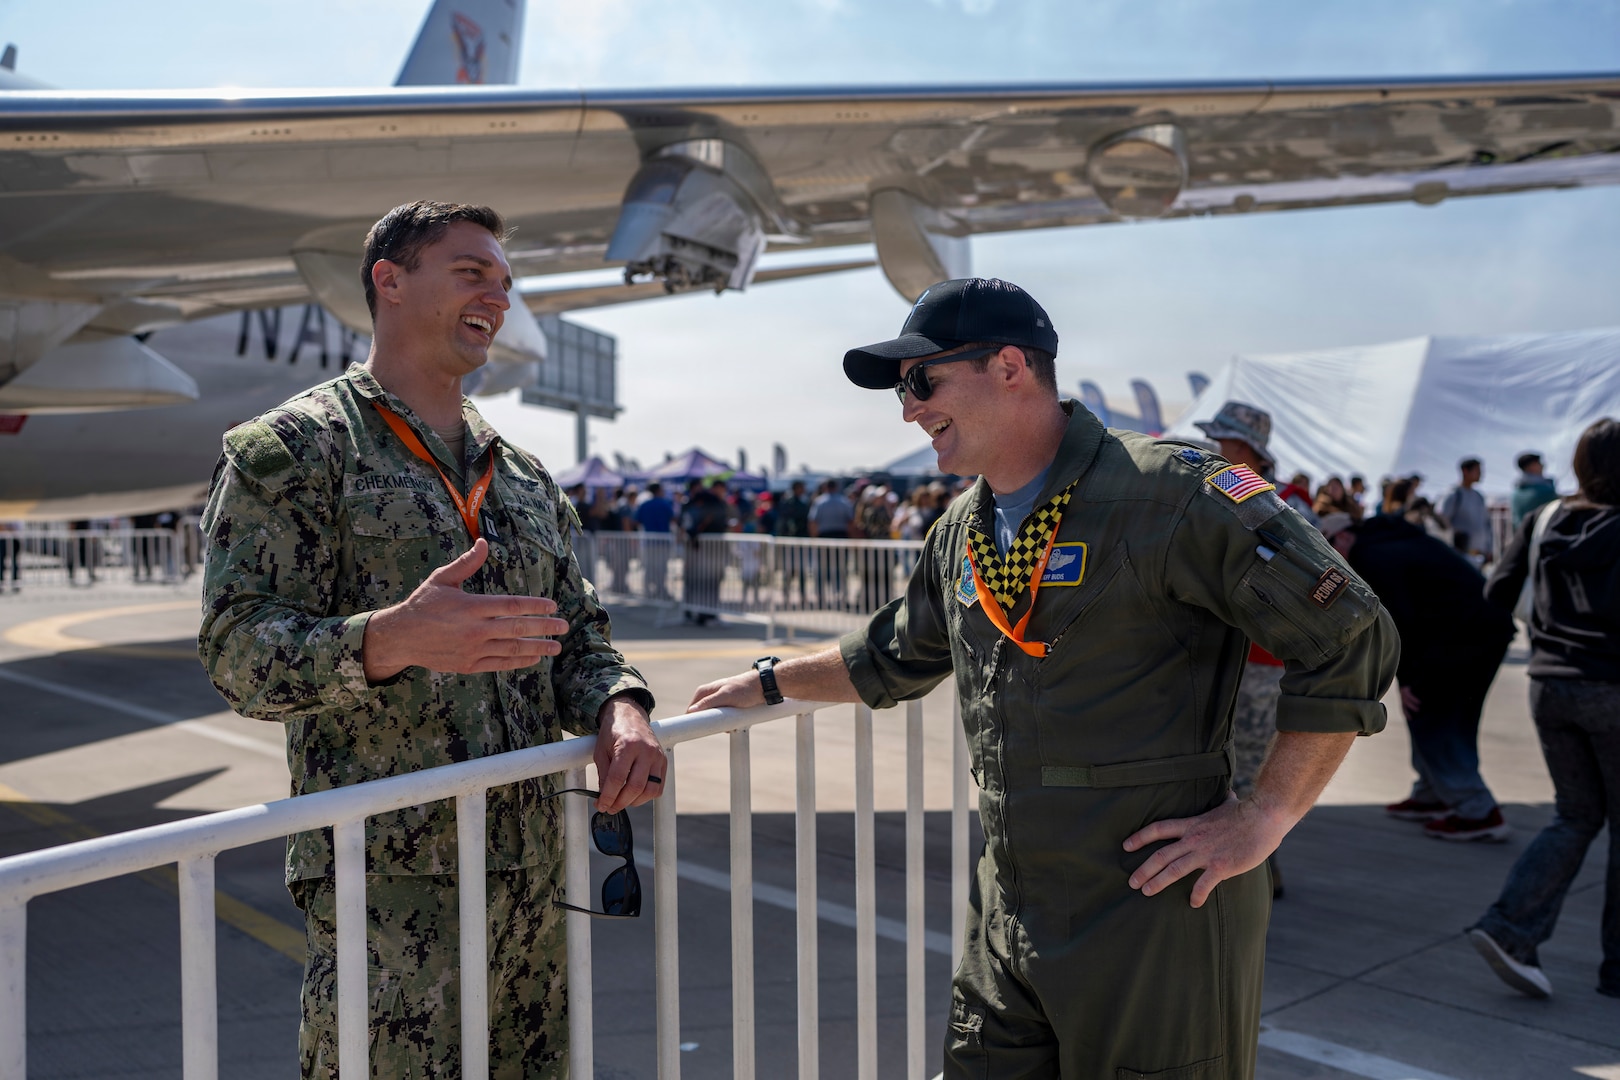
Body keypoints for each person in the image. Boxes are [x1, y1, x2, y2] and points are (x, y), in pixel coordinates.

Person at [688, 277, 1398, 1079]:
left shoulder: (1168, 494)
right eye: (900, 390)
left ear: (1011, 367)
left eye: (922, 380)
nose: (908, 408)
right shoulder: (965, 528)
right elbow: (896, 650)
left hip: (1153, 911)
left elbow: (1350, 632)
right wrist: (771, 681)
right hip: (1010, 912)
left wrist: (1266, 815)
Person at [196, 200, 665, 1079]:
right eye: (472, 273)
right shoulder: (295, 451)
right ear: (390, 281)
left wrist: (621, 705)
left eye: (506, 282)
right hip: (390, 893)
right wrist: (387, 639)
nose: (500, 296)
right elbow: (236, 652)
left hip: (531, 886)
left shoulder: (521, 476)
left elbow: (579, 635)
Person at [1469, 418, 1620, 1001]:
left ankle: (1510, 929)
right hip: (1613, 688)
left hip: (1549, 686)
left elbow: (1495, 598)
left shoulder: (1544, 519)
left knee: (1575, 816)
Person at [1322, 505, 1515, 840]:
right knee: (1443, 712)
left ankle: (1477, 811)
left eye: (1327, 547)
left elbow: (1399, 623)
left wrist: (1412, 679)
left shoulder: (1372, 556)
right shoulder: (1391, 540)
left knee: (1431, 712)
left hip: (1462, 637)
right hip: (1478, 630)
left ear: (1342, 536)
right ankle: (1432, 793)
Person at [1194, 401, 1299, 896]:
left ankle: (1253, 874)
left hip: (1259, 663)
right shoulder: (1252, 500)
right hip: (1244, 662)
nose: (1216, 448)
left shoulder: (1258, 506)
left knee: (1245, 777)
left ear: (1243, 448)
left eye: (1223, 441)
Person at [1441, 457, 1493, 565]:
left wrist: (1489, 548)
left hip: (1480, 554)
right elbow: (1441, 520)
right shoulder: (1454, 495)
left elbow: (1486, 524)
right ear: (1465, 471)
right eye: (1477, 470)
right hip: (1461, 554)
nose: (1481, 474)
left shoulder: (1478, 496)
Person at [771, 479, 812, 607]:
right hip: (791, 541)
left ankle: (800, 595)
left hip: (798, 541)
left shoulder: (801, 502)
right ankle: (787, 594)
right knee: (789, 570)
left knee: (799, 571)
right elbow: (785, 522)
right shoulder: (791, 503)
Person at [634, 481, 676, 599]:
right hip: (663, 542)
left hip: (649, 542)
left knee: (649, 566)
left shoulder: (645, 505)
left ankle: (648, 591)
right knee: (662, 567)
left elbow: (637, 521)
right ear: (659, 490)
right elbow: (673, 519)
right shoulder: (665, 504)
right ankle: (660, 590)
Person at [1511, 451, 1559, 529]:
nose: (1542, 466)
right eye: (1539, 463)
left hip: (1521, 536)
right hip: (1540, 536)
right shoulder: (1544, 491)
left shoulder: (1516, 491)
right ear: (1531, 466)